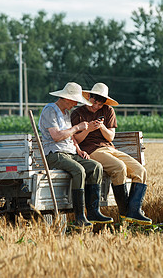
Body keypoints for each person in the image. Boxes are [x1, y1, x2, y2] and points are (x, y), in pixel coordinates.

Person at [71, 83, 152, 225]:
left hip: (110, 148)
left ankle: (134, 211)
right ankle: (124, 212)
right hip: (91, 151)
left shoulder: (108, 111)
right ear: (88, 96)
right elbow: (76, 139)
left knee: (140, 170)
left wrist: (101, 126)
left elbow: (110, 137)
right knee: (119, 167)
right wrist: (88, 129)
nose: (96, 106)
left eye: (100, 104)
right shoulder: (78, 113)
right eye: (94, 101)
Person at [38, 82, 113, 228]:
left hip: (69, 152)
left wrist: (78, 149)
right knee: (79, 170)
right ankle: (79, 216)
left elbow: (69, 136)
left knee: (96, 167)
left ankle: (93, 211)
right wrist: (78, 127)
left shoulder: (66, 113)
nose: (76, 103)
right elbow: (56, 136)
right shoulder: (50, 110)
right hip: (55, 154)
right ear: (67, 98)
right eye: (75, 100)